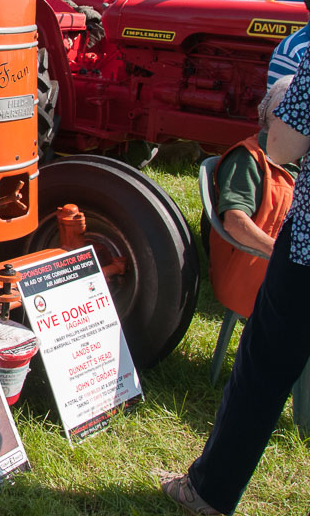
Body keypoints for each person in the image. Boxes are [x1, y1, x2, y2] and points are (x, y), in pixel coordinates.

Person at [161, 50, 310, 514]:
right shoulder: (245, 159)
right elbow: (236, 216)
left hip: (305, 253)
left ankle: (209, 491)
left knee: (262, 373)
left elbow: (285, 146)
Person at [208, 77, 297, 319]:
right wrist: (283, 256)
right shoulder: (249, 159)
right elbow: (236, 223)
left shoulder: (296, 161)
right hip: (261, 278)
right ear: (285, 120)